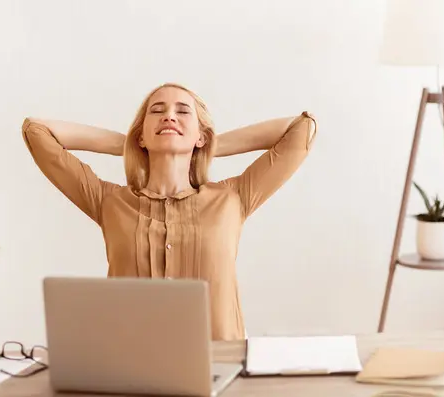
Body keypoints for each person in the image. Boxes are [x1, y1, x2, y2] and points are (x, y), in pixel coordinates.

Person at [22, 83, 317, 341]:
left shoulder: (232, 198)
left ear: (201, 136)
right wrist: (128, 145)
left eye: (183, 112)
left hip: (220, 368)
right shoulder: (109, 201)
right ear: (140, 135)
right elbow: (37, 132)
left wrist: (206, 143)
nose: (169, 115)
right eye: (157, 111)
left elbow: (301, 129)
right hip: (129, 368)